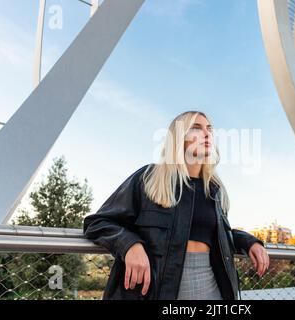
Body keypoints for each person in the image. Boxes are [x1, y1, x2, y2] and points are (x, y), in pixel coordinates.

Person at [83, 110, 269, 300]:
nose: (207, 134)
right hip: (161, 289)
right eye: (196, 128)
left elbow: (217, 233)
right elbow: (98, 222)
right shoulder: (149, 178)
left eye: (209, 129)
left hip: (212, 288)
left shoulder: (214, 190)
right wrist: (130, 245)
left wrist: (249, 242)